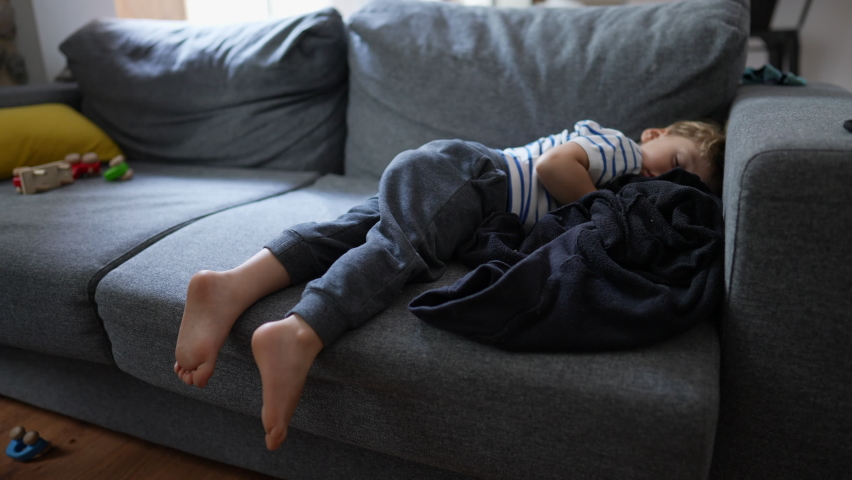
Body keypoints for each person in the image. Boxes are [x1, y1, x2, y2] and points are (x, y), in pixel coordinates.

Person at [173, 119, 725, 451]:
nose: (662, 180)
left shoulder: (632, 164)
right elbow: (557, 168)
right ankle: (301, 331)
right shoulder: (622, 149)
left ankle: (232, 285)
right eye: (673, 162)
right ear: (656, 135)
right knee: (400, 251)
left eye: (682, 180)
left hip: (452, 175)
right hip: (474, 180)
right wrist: (598, 212)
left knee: (348, 233)